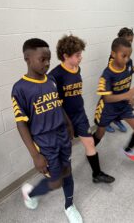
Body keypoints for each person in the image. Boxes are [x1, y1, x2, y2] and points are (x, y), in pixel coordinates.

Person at [11, 38, 82, 223]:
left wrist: (68, 124)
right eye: (42, 59)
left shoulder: (50, 79)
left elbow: (58, 104)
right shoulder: (20, 88)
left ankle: (69, 205)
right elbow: (21, 124)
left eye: (49, 59)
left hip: (61, 134)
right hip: (44, 141)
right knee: (55, 181)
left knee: (68, 170)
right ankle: (32, 193)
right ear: (27, 58)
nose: (47, 63)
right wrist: (35, 155)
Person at [49, 35, 114, 184]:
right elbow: (55, 104)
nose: (81, 58)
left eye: (81, 54)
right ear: (65, 56)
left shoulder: (77, 68)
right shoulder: (55, 76)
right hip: (64, 118)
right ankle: (56, 175)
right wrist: (67, 123)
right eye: (77, 55)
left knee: (90, 143)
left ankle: (96, 174)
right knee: (64, 151)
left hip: (79, 114)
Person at [94, 37, 134, 163]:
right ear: (113, 54)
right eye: (124, 56)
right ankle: (90, 150)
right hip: (107, 108)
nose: (127, 59)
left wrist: (129, 97)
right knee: (99, 134)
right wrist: (127, 95)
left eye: (129, 56)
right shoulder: (106, 75)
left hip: (124, 106)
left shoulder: (128, 63)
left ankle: (128, 150)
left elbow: (128, 79)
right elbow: (106, 98)